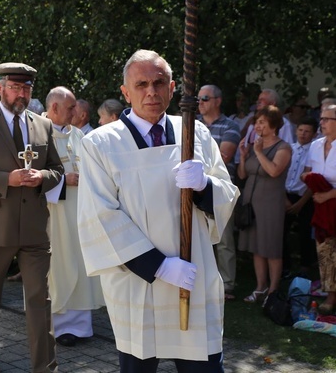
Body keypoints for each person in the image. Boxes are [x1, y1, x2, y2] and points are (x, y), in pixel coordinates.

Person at [77, 50, 238, 372]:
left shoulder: (196, 133)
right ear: (125, 91)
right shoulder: (101, 143)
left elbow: (228, 192)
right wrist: (158, 266)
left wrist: (205, 187)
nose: (151, 91)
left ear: (172, 87)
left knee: (202, 365)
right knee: (139, 363)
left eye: (159, 82)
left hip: (193, 274)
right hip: (138, 280)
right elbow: (99, 215)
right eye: (141, 84)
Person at [0, 62, 64, 373]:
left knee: (39, 300)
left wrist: (41, 176)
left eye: (27, 88)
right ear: (0, 89)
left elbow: (57, 169)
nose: (22, 94)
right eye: (16, 87)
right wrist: (8, 180)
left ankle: (45, 366)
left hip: (34, 227)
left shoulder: (42, 125)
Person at [43, 86, 105, 347]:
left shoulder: (78, 135)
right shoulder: (37, 135)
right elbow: (29, 176)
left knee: (81, 265)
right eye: (70, 108)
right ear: (54, 107)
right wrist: (62, 180)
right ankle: (57, 327)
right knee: (58, 266)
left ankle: (81, 325)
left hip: (81, 213)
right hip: (52, 214)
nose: (76, 112)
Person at [237, 105, 292, 302]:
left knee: (271, 248)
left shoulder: (283, 147)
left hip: (270, 204)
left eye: (261, 122)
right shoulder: (254, 146)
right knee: (256, 247)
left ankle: (273, 291)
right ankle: (260, 287)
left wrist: (258, 152)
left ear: (274, 124)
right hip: (251, 203)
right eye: (256, 122)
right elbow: (243, 175)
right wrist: (243, 157)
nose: (257, 126)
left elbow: (274, 171)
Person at [197, 84, 241, 301]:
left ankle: (227, 285)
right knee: (199, 236)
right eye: (199, 99)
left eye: (204, 98)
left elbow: (224, 156)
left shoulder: (230, 126)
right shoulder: (192, 124)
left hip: (221, 191)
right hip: (196, 189)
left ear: (218, 101)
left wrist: (195, 159)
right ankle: (203, 281)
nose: (200, 103)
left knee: (224, 240)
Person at [300, 104, 336, 315]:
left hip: (329, 200)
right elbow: (306, 171)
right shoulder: (315, 145)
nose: (321, 123)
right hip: (322, 208)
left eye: (326, 119)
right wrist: (310, 179)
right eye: (321, 119)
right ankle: (330, 295)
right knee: (325, 252)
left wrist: (327, 194)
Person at [283, 116, 318, 278]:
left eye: (307, 131)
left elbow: (314, 179)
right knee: (282, 231)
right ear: (296, 131)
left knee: (306, 233)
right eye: (301, 130)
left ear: (314, 134)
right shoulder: (288, 149)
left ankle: (305, 265)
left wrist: (302, 203)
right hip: (286, 196)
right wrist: (284, 198)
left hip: (305, 197)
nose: (303, 134)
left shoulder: (315, 152)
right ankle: (285, 265)